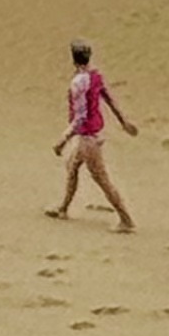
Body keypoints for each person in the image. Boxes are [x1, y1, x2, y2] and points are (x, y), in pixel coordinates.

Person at [49, 41, 136, 227]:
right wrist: (123, 121)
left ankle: (126, 219)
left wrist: (62, 141)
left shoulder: (79, 82)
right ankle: (63, 208)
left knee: (102, 179)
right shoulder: (95, 75)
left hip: (88, 138)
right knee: (72, 168)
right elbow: (109, 98)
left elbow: (80, 116)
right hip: (90, 135)